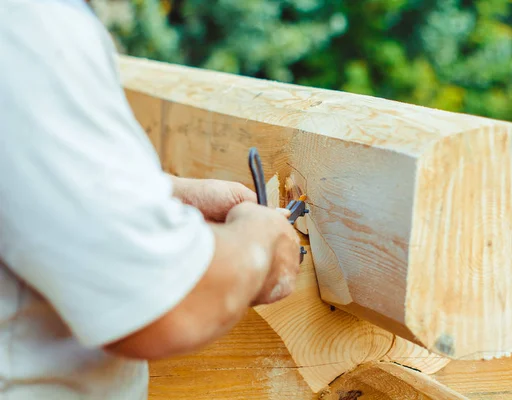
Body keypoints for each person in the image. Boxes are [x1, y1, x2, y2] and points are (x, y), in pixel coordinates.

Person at [0, 0, 301, 398]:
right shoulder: (31, 28)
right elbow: (166, 310)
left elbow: (29, 180)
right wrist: (261, 245)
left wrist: (170, 198)